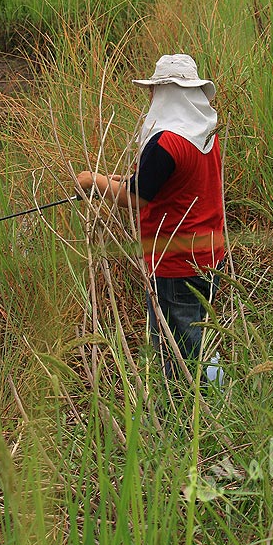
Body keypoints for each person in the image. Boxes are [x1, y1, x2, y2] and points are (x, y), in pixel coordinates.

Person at [76, 53, 225, 381]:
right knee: (202, 336)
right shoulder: (204, 132)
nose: (150, 96)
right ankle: (217, 398)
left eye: (155, 90)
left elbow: (136, 196)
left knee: (179, 353)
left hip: (176, 262)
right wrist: (109, 179)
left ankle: (190, 415)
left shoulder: (167, 142)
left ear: (166, 93)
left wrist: (92, 182)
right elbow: (160, 185)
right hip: (210, 252)